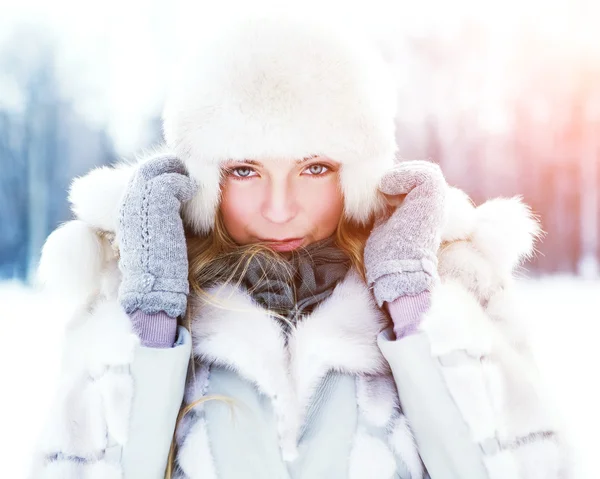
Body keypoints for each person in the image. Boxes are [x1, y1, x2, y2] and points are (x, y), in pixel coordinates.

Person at [31, 12, 569, 479]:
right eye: (245, 170)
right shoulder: (133, 311)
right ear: (202, 179)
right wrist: (151, 335)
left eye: (315, 167)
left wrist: (415, 320)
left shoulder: (452, 295)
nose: (280, 207)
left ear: (357, 175)